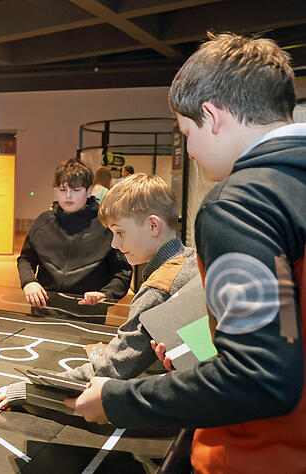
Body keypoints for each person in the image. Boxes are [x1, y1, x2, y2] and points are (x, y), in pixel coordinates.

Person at [66, 33, 306, 473]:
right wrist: (200, 354)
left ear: (212, 117)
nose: (190, 150)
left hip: (260, 454)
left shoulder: (240, 204)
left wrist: (121, 399)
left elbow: (260, 378)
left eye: (186, 132)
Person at [0, 174, 198, 408]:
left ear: (153, 226)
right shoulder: (194, 263)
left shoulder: (158, 288)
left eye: (120, 232)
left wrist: (29, 390)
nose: (114, 243)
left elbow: (110, 369)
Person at [18, 158, 131, 308]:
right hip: (44, 313)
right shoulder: (43, 222)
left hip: (88, 315)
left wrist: (106, 294)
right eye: (63, 190)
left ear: (89, 190)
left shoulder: (107, 227)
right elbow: (25, 259)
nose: (68, 196)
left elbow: (123, 271)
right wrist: (29, 282)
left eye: (76, 190)